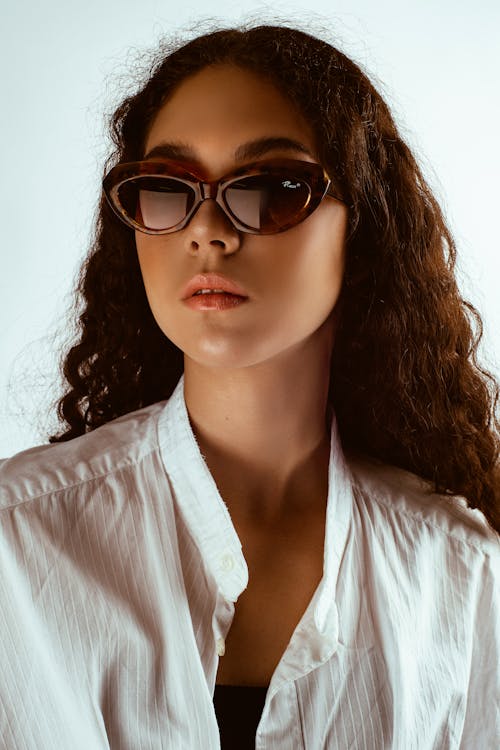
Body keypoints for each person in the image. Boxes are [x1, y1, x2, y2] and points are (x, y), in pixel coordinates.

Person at [0, 22, 499, 750]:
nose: (208, 231)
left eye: (271, 189)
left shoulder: (462, 573)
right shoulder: (16, 547)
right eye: (166, 190)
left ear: (362, 228)